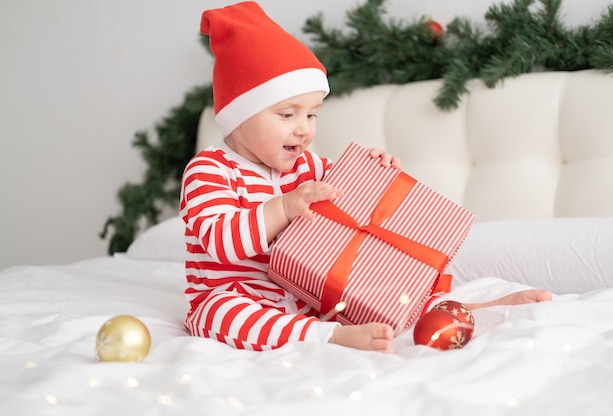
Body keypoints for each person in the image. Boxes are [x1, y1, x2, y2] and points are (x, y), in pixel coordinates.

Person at [180, 1, 551, 353]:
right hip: (236, 295)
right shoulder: (210, 170)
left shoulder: (309, 167)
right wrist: (284, 207)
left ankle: (468, 308)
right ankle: (329, 337)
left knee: (380, 284)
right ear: (239, 115)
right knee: (221, 313)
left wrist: (373, 171)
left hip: (303, 293)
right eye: (287, 114)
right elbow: (220, 240)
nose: (304, 129)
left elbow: (352, 205)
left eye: (312, 115)